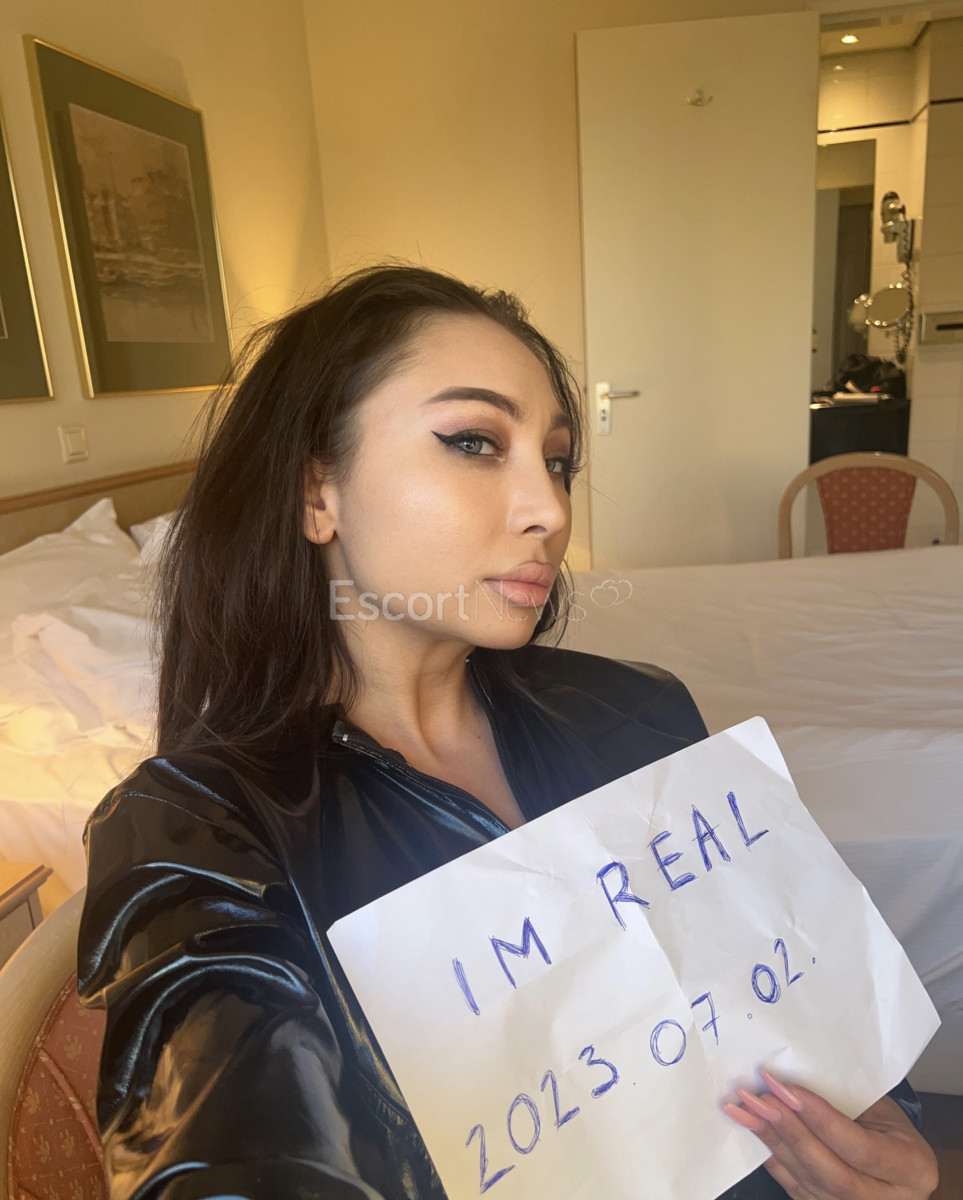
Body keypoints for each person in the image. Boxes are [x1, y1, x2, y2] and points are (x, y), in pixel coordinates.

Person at [78, 265, 938, 1200]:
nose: (551, 512)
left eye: (556, 460)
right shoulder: (201, 832)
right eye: (474, 442)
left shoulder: (636, 711)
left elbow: (799, 999)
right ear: (315, 491)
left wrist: (877, 1126)